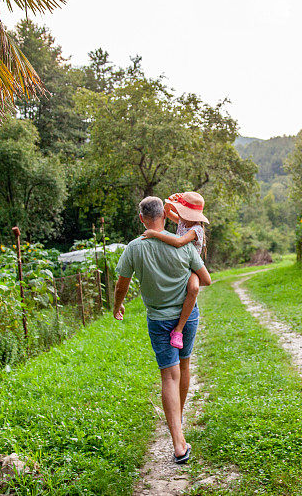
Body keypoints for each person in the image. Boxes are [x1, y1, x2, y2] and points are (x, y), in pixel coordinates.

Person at [112, 196, 211, 465]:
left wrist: (118, 305)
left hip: (158, 320)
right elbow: (205, 279)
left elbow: (122, 283)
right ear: (165, 218)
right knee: (185, 365)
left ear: (141, 218)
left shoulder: (134, 248)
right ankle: (178, 423)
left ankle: (178, 444)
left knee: (169, 375)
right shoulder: (186, 245)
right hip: (187, 317)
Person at [141, 192, 209, 350]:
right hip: (181, 264)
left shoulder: (196, 229)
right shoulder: (183, 222)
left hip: (192, 266)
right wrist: (172, 202)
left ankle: (179, 329)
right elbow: (166, 212)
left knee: (193, 288)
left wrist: (155, 234)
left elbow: (179, 242)